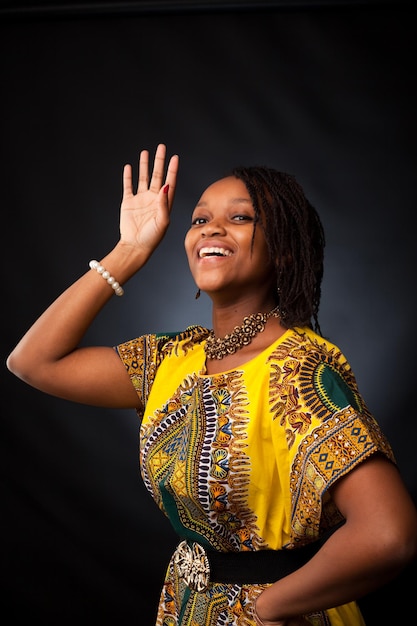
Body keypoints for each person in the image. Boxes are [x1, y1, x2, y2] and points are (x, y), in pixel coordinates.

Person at [6, 143, 417, 626]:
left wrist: (270, 606)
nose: (212, 229)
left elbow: (388, 533)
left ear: (282, 247)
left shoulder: (295, 371)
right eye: (199, 220)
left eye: (240, 218)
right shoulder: (171, 361)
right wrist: (129, 250)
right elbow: (32, 361)